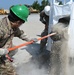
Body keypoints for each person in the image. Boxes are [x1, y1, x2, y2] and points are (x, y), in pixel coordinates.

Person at [0, 4, 35, 75]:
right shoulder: (1, 29)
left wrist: (30, 39)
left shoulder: (12, 25)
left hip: (4, 48)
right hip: (1, 51)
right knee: (11, 72)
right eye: (22, 22)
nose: (21, 24)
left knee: (14, 49)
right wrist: (1, 51)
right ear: (18, 21)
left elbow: (20, 33)